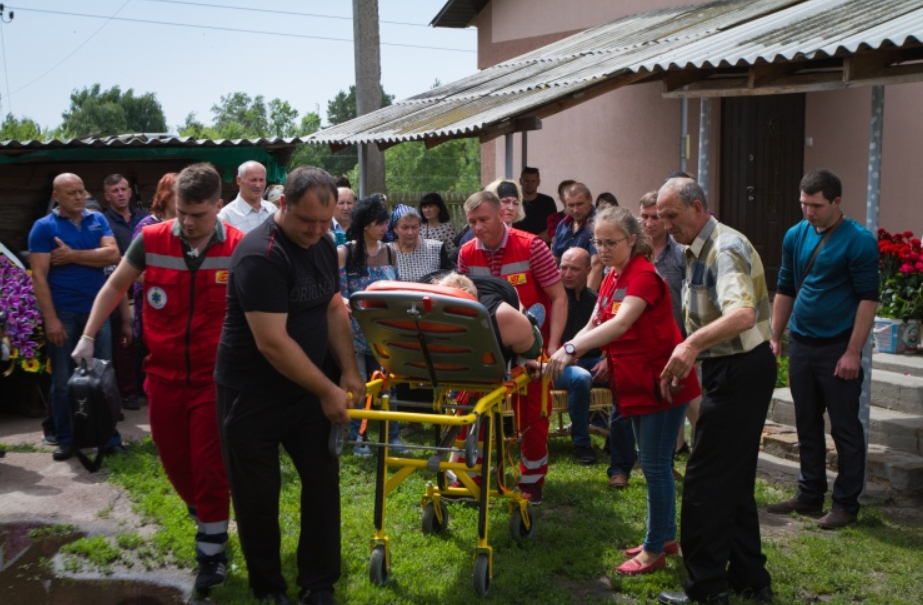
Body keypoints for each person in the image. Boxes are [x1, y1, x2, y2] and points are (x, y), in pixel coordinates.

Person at [71, 163, 241, 597]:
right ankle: (204, 515)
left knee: (208, 466)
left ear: (218, 207)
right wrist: (89, 336)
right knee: (175, 464)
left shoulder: (240, 248)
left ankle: (212, 556)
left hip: (213, 380)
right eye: (181, 211)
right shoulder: (151, 240)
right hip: (162, 376)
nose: (186, 222)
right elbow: (113, 288)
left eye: (198, 214)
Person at [215, 166, 365, 605]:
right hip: (251, 393)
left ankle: (318, 584)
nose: (316, 231)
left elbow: (333, 307)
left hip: (307, 391)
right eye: (307, 222)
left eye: (325, 223)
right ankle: (268, 588)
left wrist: (350, 371)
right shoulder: (260, 255)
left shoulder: (321, 244)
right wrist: (327, 390)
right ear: (282, 204)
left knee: (322, 484)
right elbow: (273, 343)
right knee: (258, 495)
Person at [547, 207, 700, 576]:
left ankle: (654, 549)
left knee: (655, 466)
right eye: (598, 242)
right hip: (634, 384)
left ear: (632, 240)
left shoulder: (644, 275)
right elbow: (595, 320)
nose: (603, 248)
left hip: (661, 384)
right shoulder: (613, 276)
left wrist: (570, 351)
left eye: (611, 242)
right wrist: (568, 346)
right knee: (653, 465)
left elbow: (621, 323)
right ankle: (664, 538)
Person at [655, 178, 776, 605]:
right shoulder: (697, 248)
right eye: (660, 216)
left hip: (740, 370)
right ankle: (750, 579)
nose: (666, 225)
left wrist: (690, 345)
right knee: (735, 479)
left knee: (705, 480)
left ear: (698, 208)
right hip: (735, 368)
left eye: (672, 216)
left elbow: (742, 314)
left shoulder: (723, 248)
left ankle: (707, 588)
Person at [766, 168, 878, 530]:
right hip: (802, 342)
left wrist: (852, 351)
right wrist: (775, 335)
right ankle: (809, 493)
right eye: (803, 204)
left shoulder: (858, 240)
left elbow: (868, 299)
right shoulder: (795, 234)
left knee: (845, 428)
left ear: (836, 202)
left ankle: (846, 503)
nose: (808, 212)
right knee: (806, 422)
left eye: (816, 205)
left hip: (837, 346)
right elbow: (785, 287)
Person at [457, 190, 567, 504]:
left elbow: (558, 297)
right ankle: (470, 477)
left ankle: (531, 482)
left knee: (534, 413)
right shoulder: (466, 253)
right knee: (470, 408)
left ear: (501, 215)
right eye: (472, 222)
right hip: (484, 347)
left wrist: (555, 346)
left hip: (529, 346)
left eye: (483, 220)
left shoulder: (532, 246)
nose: (478, 227)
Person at [28, 173, 123, 462]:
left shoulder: (98, 220)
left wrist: (72, 256)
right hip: (64, 313)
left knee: (102, 375)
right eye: (72, 193)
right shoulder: (43, 228)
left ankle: (108, 437)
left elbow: (113, 255)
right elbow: (40, 278)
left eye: (82, 191)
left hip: (97, 311)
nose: (80, 197)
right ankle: (67, 438)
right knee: (62, 380)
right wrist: (51, 319)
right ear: (57, 196)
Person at [551, 247, 637, 469]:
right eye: (563, 268)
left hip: (590, 360)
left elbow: (611, 331)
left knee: (624, 373)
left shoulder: (595, 299)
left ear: (589, 270)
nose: (567, 274)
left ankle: (618, 441)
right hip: (556, 363)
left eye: (574, 269)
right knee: (580, 378)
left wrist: (606, 360)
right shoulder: (553, 298)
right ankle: (582, 443)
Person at [339, 197, 404, 455]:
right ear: (365, 224)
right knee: (359, 387)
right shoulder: (345, 252)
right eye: (379, 222)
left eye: (385, 222)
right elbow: (339, 294)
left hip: (385, 333)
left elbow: (397, 287)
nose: (384, 227)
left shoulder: (390, 252)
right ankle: (359, 438)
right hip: (355, 333)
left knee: (391, 387)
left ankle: (393, 436)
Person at [640, 191, 701, 459]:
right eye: (645, 216)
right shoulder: (634, 252)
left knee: (691, 401)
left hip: (679, 337)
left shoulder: (680, 253)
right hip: (646, 340)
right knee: (663, 399)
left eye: (656, 217)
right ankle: (672, 450)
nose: (650, 223)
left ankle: (705, 450)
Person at [102, 174, 149, 411]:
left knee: (146, 339)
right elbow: (111, 256)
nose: (120, 194)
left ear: (130, 192)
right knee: (125, 342)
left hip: (146, 286)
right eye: (115, 190)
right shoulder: (104, 222)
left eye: (123, 189)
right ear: (107, 196)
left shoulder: (144, 218)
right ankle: (128, 392)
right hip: (120, 287)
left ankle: (145, 388)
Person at [553, 182, 603, 289]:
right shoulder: (563, 224)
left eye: (580, 204)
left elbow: (597, 265)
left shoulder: (600, 224)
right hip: (564, 290)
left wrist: (588, 300)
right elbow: (553, 261)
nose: (575, 210)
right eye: (571, 205)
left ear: (590, 200)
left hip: (586, 289)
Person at [389, 205, 453, 282]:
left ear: (420, 227)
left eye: (414, 227)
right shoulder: (385, 251)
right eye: (405, 227)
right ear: (395, 229)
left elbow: (449, 280)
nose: (410, 232)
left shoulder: (436, 248)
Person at [217, 160, 275, 233]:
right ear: (239, 180)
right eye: (253, 180)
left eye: (261, 180)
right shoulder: (226, 216)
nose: (258, 185)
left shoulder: (272, 210)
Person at [513, 166, 557, 243]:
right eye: (526, 181)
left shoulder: (547, 202)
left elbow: (552, 228)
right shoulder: (513, 201)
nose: (530, 184)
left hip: (542, 248)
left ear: (538, 182)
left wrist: (533, 243)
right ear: (520, 181)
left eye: (533, 181)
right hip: (518, 247)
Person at [546, 179, 575, 249]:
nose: (568, 197)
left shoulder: (585, 216)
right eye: (565, 194)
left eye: (572, 193)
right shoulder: (553, 218)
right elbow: (555, 241)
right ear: (560, 197)